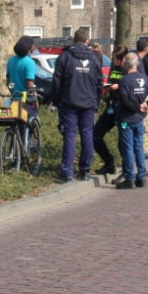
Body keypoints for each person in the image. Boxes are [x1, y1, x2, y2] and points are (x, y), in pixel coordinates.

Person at [50, 28, 104, 182]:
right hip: (89, 103)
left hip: (69, 102)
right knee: (87, 134)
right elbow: (100, 83)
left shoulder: (65, 56)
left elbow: (57, 81)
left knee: (70, 135)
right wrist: (97, 102)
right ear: (87, 41)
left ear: (74, 40)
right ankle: (85, 171)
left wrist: (56, 100)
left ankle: (67, 173)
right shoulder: (94, 59)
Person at [115, 52, 148, 189]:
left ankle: (130, 178)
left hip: (126, 119)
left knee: (128, 148)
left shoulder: (124, 81)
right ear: (137, 64)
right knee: (139, 147)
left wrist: (136, 107)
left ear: (124, 64)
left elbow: (124, 100)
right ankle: (141, 177)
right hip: (139, 119)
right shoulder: (144, 78)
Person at [92, 45, 128, 175]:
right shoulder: (114, 68)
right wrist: (107, 86)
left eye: (117, 59)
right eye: (113, 58)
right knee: (95, 134)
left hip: (123, 108)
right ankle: (109, 163)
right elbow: (110, 80)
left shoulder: (129, 70)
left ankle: (126, 170)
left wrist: (118, 86)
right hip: (111, 107)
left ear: (123, 58)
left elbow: (132, 86)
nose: (115, 61)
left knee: (123, 141)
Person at [6, 36, 39, 138]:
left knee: (15, 127)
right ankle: (27, 144)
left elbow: (8, 81)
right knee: (29, 124)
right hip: (26, 101)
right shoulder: (29, 62)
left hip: (14, 100)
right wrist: (35, 100)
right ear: (30, 46)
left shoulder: (11, 61)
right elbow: (30, 84)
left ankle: (14, 148)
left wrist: (14, 93)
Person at [136, 38, 148, 155]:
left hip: (135, 97)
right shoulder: (139, 62)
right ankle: (144, 151)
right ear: (146, 49)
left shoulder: (135, 60)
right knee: (144, 124)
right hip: (141, 98)